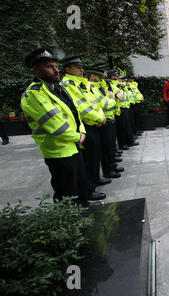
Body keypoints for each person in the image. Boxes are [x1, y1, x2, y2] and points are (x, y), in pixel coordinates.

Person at [21, 48, 89, 206]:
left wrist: (82, 131)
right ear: (36, 69)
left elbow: (75, 112)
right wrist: (78, 136)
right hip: (58, 151)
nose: (55, 69)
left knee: (81, 185)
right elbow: (55, 125)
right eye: (49, 66)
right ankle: (70, 225)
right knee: (67, 192)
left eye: (55, 65)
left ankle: (85, 215)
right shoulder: (33, 94)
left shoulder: (57, 87)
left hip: (74, 145)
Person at [60, 55, 107, 201]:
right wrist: (99, 118)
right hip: (85, 125)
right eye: (77, 67)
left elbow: (95, 103)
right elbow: (80, 107)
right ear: (67, 69)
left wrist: (100, 116)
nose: (81, 69)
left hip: (94, 123)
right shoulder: (68, 84)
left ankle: (94, 180)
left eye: (81, 66)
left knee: (95, 156)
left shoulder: (81, 82)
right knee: (88, 160)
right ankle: (89, 188)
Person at [85, 65, 120, 181]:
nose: (102, 78)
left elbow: (106, 101)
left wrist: (111, 99)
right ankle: (108, 171)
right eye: (100, 76)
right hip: (102, 121)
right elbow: (104, 104)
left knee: (110, 147)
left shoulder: (100, 85)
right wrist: (113, 99)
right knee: (105, 149)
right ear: (94, 76)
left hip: (108, 118)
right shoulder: (91, 87)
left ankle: (111, 168)